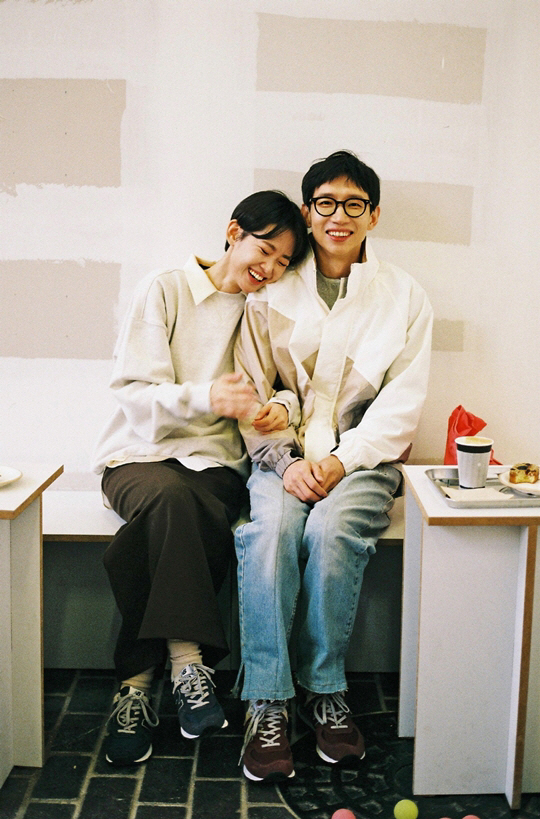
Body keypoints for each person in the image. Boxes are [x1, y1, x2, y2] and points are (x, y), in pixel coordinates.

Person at [234, 150, 433, 782]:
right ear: (307, 211)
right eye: (325, 203)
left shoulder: (405, 296)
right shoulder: (271, 290)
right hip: (282, 460)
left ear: (373, 215)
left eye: (353, 204)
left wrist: (343, 462)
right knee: (271, 533)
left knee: (330, 529)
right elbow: (250, 387)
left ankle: (325, 689)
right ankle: (267, 699)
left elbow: (402, 404)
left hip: (365, 463)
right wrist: (285, 460)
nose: (338, 216)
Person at [91, 190, 309, 767]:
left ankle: (136, 686)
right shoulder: (165, 289)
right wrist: (206, 397)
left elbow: (291, 387)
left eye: (284, 261)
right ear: (234, 232)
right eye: (265, 250)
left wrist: (279, 408)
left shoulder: (265, 310)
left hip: (215, 465)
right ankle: (189, 663)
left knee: (177, 508)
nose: (270, 269)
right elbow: (133, 393)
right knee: (170, 499)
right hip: (137, 456)